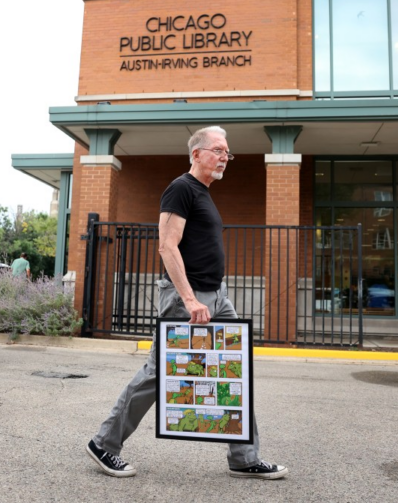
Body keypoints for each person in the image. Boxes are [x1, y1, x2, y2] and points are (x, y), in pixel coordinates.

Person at [86, 125, 288, 480]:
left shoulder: (204, 193)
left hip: (217, 297)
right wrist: (190, 299)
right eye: (219, 150)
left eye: (228, 152)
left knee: (235, 368)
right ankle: (104, 444)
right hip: (187, 299)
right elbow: (167, 245)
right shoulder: (181, 188)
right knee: (157, 372)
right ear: (197, 154)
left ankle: (244, 456)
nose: (226, 157)